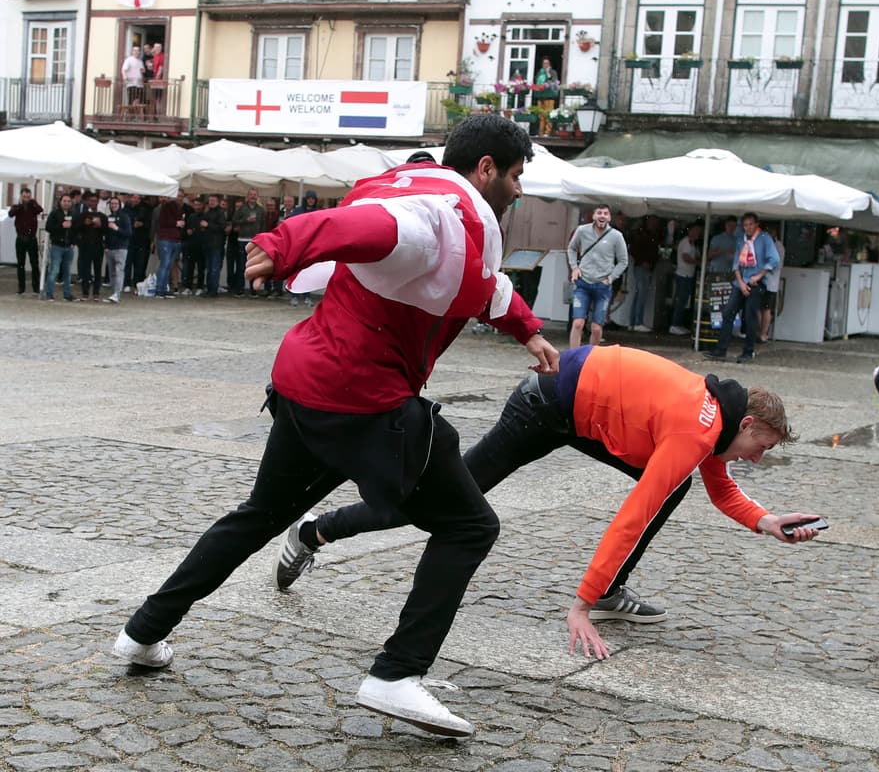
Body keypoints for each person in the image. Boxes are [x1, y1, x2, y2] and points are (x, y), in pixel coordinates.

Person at [111, 115, 555, 739]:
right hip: (361, 399)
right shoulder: (437, 214)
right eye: (515, 176)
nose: (518, 190)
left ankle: (141, 634)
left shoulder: (420, 195)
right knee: (468, 524)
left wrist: (529, 331)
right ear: (485, 168)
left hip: (306, 382)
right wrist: (286, 241)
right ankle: (395, 676)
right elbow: (368, 229)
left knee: (259, 514)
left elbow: (488, 287)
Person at [275, 345, 822, 660]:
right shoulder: (695, 431)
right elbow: (634, 517)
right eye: (761, 448)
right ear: (746, 424)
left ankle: (609, 592)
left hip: (583, 410)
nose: (756, 458)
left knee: (673, 485)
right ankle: (314, 532)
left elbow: (719, 482)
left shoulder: (717, 416)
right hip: (542, 407)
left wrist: (766, 521)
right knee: (433, 504)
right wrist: (578, 605)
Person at [702, 212, 779, 364]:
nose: (748, 227)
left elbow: (774, 259)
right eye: (745, 225)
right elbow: (736, 263)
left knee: (750, 317)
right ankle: (721, 349)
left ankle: (748, 351)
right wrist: (741, 283)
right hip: (740, 282)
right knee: (728, 312)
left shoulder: (764, 239)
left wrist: (759, 275)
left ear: (756, 224)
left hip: (756, 283)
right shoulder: (741, 240)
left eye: (750, 224)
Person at [567, 205, 629, 348]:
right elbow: (571, 248)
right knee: (578, 323)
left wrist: (612, 277)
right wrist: (574, 268)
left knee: (596, 327)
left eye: (605, 213)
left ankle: (591, 356)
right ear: (594, 216)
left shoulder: (616, 236)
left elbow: (623, 261)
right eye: (599, 213)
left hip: (603, 285)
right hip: (583, 282)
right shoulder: (582, 231)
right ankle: (573, 355)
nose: (602, 216)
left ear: (609, 218)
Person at [626, 215, 662, 332]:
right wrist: (642, 261)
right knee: (641, 294)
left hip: (645, 267)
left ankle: (633, 322)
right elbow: (633, 250)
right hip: (642, 267)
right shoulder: (643, 236)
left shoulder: (650, 235)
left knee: (639, 294)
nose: (654, 224)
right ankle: (637, 321)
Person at [669, 223, 702, 336]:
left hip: (688, 275)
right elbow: (685, 257)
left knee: (683, 301)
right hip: (683, 275)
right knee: (681, 300)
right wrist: (698, 263)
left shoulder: (693, 244)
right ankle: (674, 324)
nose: (697, 233)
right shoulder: (686, 241)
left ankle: (678, 324)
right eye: (696, 231)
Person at [9, 186, 42, 296]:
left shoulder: (33, 206)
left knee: (34, 264)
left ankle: (36, 287)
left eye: (28, 197)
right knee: (21, 264)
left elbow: (40, 210)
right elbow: (11, 214)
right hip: (20, 239)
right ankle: (21, 287)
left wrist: (33, 202)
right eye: (24, 197)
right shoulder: (17, 206)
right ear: (21, 196)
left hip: (31, 239)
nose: (26, 199)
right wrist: (19, 205)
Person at [231, 190, 265, 296]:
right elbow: (234, 221)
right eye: (251, 195)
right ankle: (240, 289)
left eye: (255, 195)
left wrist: (262, 238)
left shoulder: (261, 210)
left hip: (255, 241)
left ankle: (253, 290)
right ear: (247, 196)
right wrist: (246, 220)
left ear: (257, 196)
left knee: (254, 265)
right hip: (242, 240)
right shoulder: (242, 208)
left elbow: (263, 225)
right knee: (241, 265)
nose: (253, 197)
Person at [43, 194, 75, 301]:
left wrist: (74, 242)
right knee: (54, 271)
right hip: (57, 246)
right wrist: (62, 226)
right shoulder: (54, 213)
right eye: (64, 201)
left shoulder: (73, 214)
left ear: (71, 203)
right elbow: (48, 228)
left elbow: (76, 229)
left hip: (69, 247)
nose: (66, 203)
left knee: (67, 272)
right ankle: (49, 294)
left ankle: (67, 294)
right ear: (60, 202)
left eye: (68, 201)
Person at [74, 196, 106, 301]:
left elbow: (106, 231)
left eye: (95, 201)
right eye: (91, 201)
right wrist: (84, 224)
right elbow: (76, 229)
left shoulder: (102, 216)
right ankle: (85, 292)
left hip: (98, 246)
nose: (93, 203)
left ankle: (96, 292)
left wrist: (100, 226)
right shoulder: (83, 215)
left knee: (97, 270)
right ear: (88, 202)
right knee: (85, 270)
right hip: (85, 246)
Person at [103, 196, 133, 304]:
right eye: (112, 204)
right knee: (112, 272)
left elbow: (129, 233)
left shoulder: (125, 217)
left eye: (116, 204)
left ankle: (117, 294)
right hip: (110, 248)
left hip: (121, 248)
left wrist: (116, 228)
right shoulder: (109, 217)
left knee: (119, 271)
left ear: (119, 205)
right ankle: (114, 293)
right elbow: (106, 233)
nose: (113, 205)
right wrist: (106, 246)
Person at [758, 223, 784, 343]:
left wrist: (762, 269)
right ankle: (760, 332)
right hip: (762, 281)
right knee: (759, 308)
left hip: (770, 282)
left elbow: (776, 265)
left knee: (766, 309)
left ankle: (763, 333)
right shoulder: (766, 245)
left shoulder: (778, 246)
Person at [153, 198, 183, 298]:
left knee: (168, 266)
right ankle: (159, 290)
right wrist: (176, 223)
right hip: (167, 238)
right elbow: (162, 222)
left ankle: (163, 289)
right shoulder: (166, 206)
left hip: (174, 238)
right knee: (165, 265)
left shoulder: (176, 206)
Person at [201, 195, 227, 299]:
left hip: (216, 244)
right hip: (208, 243)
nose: (211, 202)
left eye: (213, 200)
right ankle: (209, 289)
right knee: (209, 268)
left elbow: (222, 227)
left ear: (218, 202)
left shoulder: (220, 212)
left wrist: (208, 225)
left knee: (214, 268)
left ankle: (213, 290)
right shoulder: (208, 212)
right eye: (210, 200)